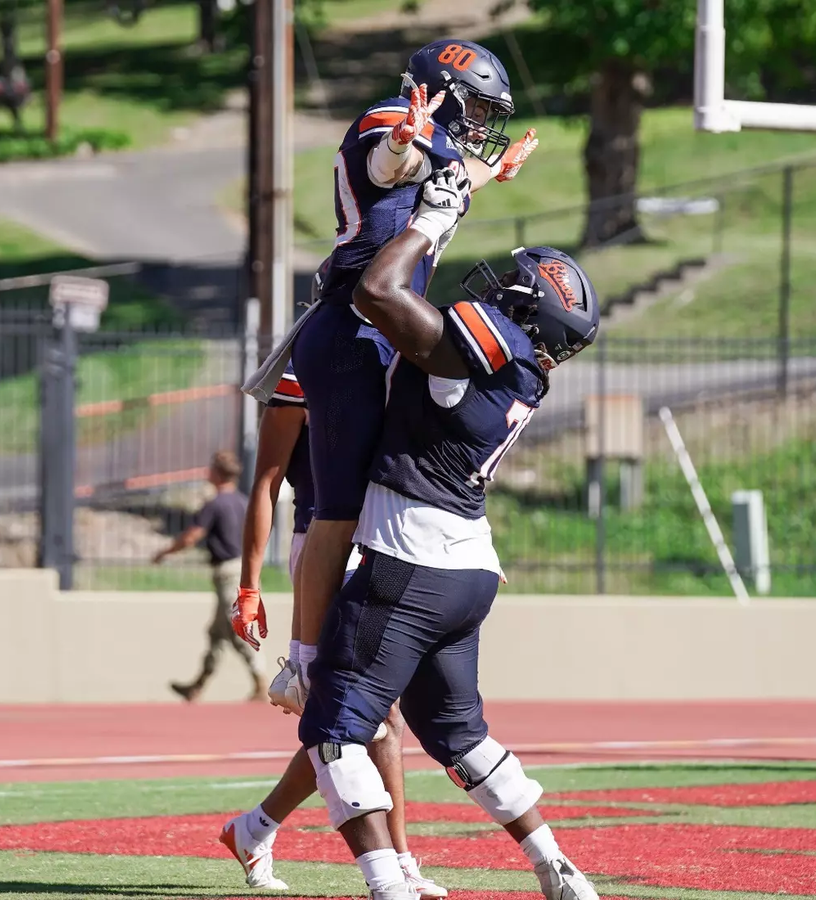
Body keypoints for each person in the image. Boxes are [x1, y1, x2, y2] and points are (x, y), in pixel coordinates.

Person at [299, 168, 603, 900]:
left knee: (335, 731)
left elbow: (378, 293)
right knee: (459, 736)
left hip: (412, 561)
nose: (496, 289)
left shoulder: (491, 344)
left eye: (513, 289)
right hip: (466, 568)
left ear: (523, 317)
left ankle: (387, 886)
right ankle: (556, 866)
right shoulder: (523, 369)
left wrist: (431, 221)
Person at [219, 361, 440, 897]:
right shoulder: (309, 368)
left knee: (372, 715)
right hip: (324, 548)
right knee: (366, 711)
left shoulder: (398, 356)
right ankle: (395, 865)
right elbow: (268, 481)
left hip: (388, 544)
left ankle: (255, 829)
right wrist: (249, 586)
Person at [155, 450, 266, 702]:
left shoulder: (215, 504)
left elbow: (192, 535)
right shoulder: (243, 502)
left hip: (229, 573)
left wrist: (165, 552)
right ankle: (198, 684)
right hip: (245, 569)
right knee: (216, 632)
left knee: (238, 626)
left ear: (216, 473)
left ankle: (261, 680)